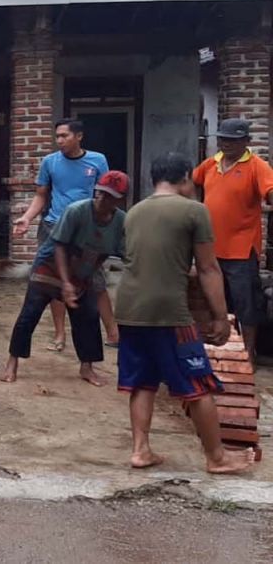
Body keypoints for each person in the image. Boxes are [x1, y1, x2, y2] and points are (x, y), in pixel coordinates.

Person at [114, 152, 255, 474]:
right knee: (198, 383)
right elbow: (207, 268)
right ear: (185, 178)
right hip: (168, 311)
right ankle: (217, 457)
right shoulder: (194, 211)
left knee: (143, 382)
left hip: (128, 308)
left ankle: (141, 450)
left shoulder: (134, 211)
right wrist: (221, 316)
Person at [0, 171, 129, 387]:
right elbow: (59, 245)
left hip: (84, 271)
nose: (102, 199)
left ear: (120, 200)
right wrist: (66, 283)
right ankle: (12, 362)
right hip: (51, 265)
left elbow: (126, 253)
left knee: (88, 315)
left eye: (110, 196)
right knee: (30, 313)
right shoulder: (76, 211)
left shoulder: (121, 221)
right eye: (100, 193)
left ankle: (87, 367)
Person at [13, 119, 112, 351]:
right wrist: (27, 218)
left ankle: (112, 333)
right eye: (57, 136)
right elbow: (41, 195)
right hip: (53, 227)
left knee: (95, 282)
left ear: (79, 136)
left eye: (64, 136)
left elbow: (104, 196)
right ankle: (59, 335)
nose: (59, 141)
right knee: (51, 283)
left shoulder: (98, 160)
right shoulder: (50, 162)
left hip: (85, 231)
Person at [192, 118, 273, 359]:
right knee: (213, 303)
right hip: (210, 248)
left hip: (240, 249)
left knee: (245, 303)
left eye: (233, 140)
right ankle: (216, 352)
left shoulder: (257, 166)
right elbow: (192, 182)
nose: (226, 144)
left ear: (246, 142)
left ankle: (248, 353)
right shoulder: (211, 164)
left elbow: (270, 190)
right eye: (223, 139)